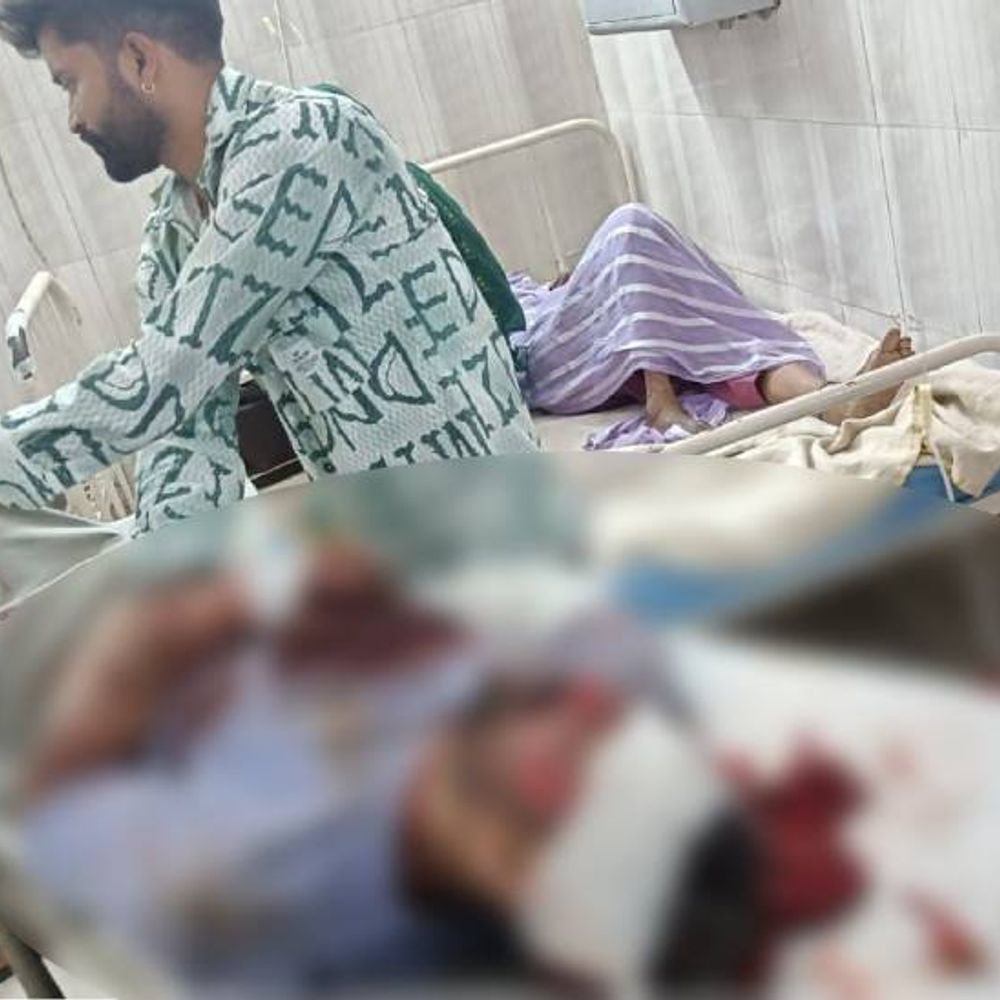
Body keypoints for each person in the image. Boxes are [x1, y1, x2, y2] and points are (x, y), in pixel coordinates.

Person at [19, 542, 862, 996]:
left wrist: (213, 617)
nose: (576, 727)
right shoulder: (538, 696)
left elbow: (64, 788)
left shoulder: (251, 889)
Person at [0, 0, 536, 534]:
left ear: (140, 59)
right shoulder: (173, 234)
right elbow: (186, 434)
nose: (74, 120)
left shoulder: (305, 139)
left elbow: (157, 382)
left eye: (70, 84)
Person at [508, 203, 914, 448]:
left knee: (725, 334)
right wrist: (573, 295)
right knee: (629, 227)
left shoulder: (525, 286)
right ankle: (660, 397)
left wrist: (576, 283)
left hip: (611, 318)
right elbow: (517, 335)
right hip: (570, 352)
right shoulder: (503, 314)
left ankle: (831, 400)